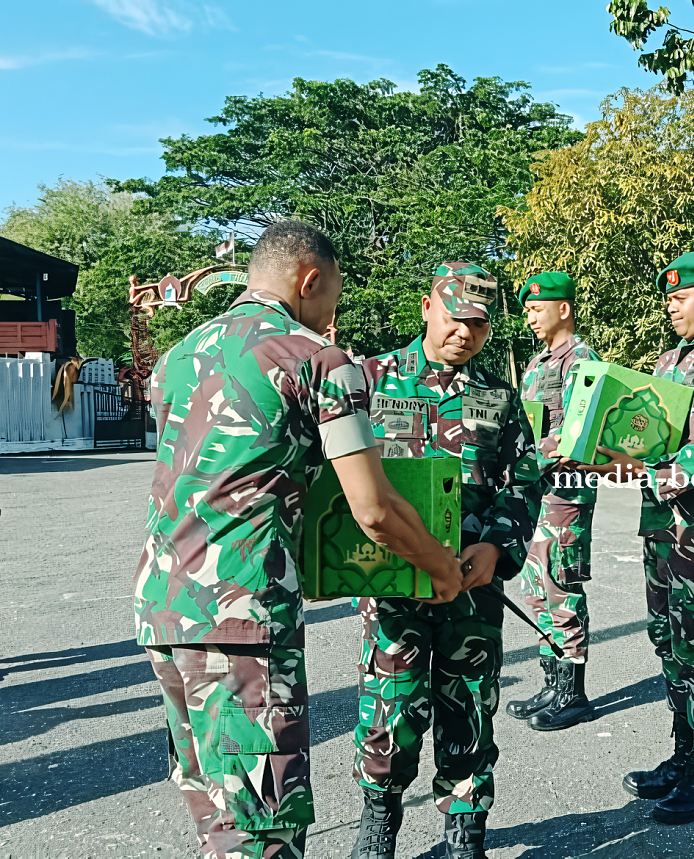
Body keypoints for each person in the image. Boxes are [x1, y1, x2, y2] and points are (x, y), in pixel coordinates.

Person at [134, 221, 463, 859]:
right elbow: (373, 508)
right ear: (310, 281)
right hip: (242, 615)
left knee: (218, 818)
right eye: (333, 296)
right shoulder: (315, 359)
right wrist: (438, 567)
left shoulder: (179, 356)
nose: (332, 314)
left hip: (163, 607)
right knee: (265, 827)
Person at [350, 262, 542, 859]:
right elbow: (336, 476)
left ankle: (465, 828)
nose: (466, 332)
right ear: (428, 307)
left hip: (471, 587)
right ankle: (379, 819)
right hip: (394, 585)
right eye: (456, 318)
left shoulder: (498, 396)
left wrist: (498, 545)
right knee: (391, 708)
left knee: (470, 708)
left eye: (479, 324)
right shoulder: (370, 380)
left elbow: (524, 478)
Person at [578, 250, 694, 825]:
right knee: (669, 641)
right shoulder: (671, 360)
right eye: (669, 299)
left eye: (680, 298)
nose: (671, 307)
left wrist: (640, 473)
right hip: (663, 524)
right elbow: (656, 433)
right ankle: (683, 755)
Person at [505, 271, 602, 730]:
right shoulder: (537, 363)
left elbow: (577, 432)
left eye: (536, 309)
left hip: (565, 491)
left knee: (561, 586)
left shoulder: (580, 361)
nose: (530, 318)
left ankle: (573, 694)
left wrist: (525, 459)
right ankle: (551, 683)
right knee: (537, 588)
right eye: (527, 310)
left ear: (563, 309)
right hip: (538, 493)